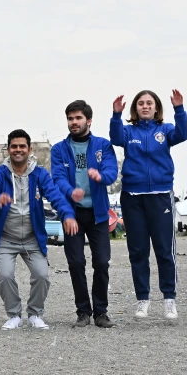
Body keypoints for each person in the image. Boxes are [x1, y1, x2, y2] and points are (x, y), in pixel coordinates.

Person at [0, 129, 77, 330]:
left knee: (42, 276)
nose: (18, 150)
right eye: (14, 146)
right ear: (8, 149)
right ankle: (14, 315)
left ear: (29, 149)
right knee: (5, 276)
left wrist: (68, 215)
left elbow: (56, 196)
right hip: (5, 238)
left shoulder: (40, 174)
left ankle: (35, 314)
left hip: (33, 238)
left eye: (22, 146)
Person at [110, 89, 187, 319]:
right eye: (141, 103)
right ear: (135, 108)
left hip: (160, 195)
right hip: (132, 196)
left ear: (156, 108)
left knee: (164, 250)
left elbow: (182, 134)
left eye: (149, 103)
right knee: (138, 251)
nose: (145, 106)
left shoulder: (165, 130)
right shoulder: (128, 131)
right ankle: (142, 299)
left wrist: (179, 109)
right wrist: (116, 115)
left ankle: (169, 299)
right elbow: (115, 138)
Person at [51, 100, 118, 328]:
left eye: (78, 118)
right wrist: (71, 192)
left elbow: (111, 171)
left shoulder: (103, 145)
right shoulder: (59, 149)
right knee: (75, 262)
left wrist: (101, 177)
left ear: (88, 120)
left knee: (102, 262)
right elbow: (58, 178)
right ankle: (83, 311)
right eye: (70, 118)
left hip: (98, 214)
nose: (74, 122)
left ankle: (101, 312)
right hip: (72, 214)